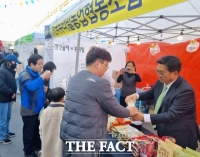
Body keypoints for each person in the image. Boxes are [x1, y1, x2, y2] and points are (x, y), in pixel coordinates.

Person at [60, 46, 138, 157]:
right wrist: (129, 111)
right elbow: (115, 109)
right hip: (86, 140)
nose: (106, 69)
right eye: (106, 66)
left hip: (68, 135)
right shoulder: (99, 83)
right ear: (97, 63)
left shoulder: (75, 77)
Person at [126, 55, 200, 150]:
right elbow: (150, 93)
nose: (158, 75)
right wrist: (136, 96)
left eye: (161, 72)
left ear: (175, 73)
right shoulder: (161, 82)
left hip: (180, 135)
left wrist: (143, 117)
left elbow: (171, 115)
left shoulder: (185, 91)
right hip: (164, 129)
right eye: (157, 71)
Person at [19, 54, 51, 157]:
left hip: (37, 108)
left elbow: (37, 87)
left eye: (42, 63)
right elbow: (31, 87)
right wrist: (42, 77)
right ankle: (28, 152)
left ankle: (36, 145)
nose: (42, 66)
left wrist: (43, 89)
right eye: (39, 64)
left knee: (36, 130)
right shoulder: (24, 74)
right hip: (28, 109)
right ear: (31, 64)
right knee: (28, 132)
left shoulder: (36, 73)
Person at [0, 54, 21, 144]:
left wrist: (13, 93)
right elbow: (1, 85)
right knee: (3, 118)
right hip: (3, 98)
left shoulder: (9, 70)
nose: (15, 64)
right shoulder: (2, 71)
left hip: (8, 98)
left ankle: (6, 132)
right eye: (14, 62)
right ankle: (2, 137)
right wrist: (11, 92)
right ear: (8, 62)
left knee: (7, 117)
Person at [39, 87, 65, 157]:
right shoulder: (65, 112)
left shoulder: (45, 112)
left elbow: (40, 129)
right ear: (63, 98)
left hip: (47, 144)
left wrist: (43, 138)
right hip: (60, 145)